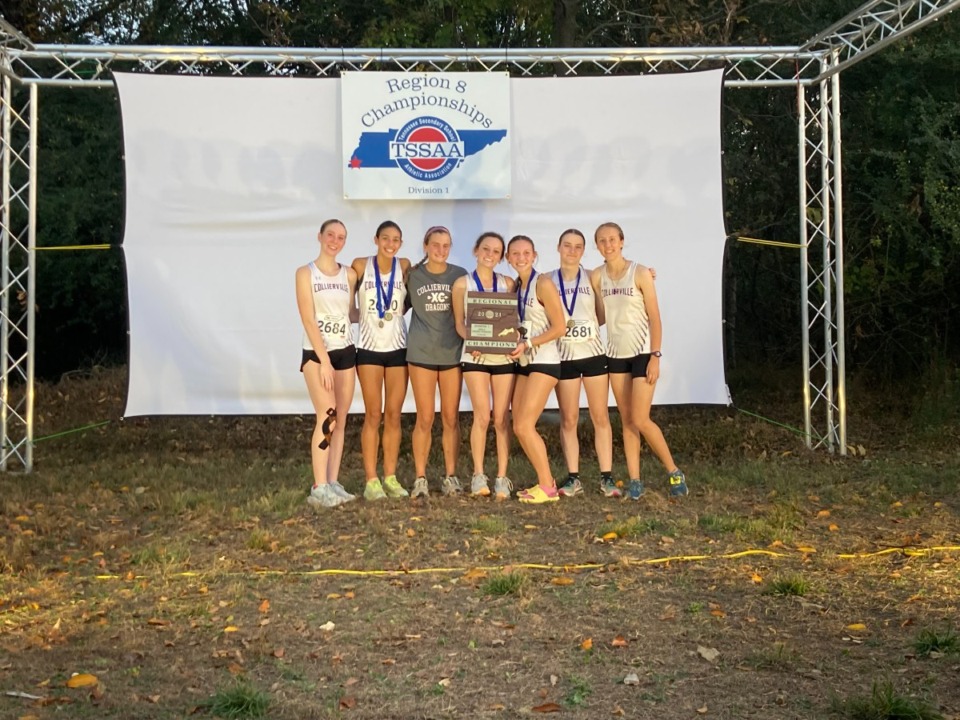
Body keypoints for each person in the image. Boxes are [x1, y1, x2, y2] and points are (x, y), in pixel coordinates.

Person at [592, 221, 688, 500]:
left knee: (640, 417)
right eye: (602, 240)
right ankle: (635, 479)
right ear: (597, 246)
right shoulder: (597, 276)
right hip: (615, 354)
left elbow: (655, 318)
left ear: (622, 241)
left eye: (612, 239)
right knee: (627, 420)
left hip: (643, 353)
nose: (608, 244)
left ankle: (673, 471)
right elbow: (597, 314)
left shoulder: (641, 272)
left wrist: (655, 356)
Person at [549, 229, 617, 498]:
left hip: (593, 356)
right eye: (567, 245)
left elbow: (602, 313)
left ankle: (607, 478)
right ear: (558, 247)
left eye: (578, 247)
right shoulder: (546, 280)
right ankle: (573, 478)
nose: (572, 251)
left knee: (601, 416)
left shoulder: (593, 277)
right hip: (563, 357)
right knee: (569, 419)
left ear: (584, 250)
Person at [296, 219, 359, 508]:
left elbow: (350, 313)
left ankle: (333, 481)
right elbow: (308, 319)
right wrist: (323, 361)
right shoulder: (305, 273)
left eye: (341, 237)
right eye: (330, 235)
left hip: (345, 351)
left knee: (342, 419)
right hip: (317, 354)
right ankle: (318, 487)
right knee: (328, 415)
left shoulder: (349, 274)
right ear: (319, 236)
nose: (335, 240)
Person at [451, 232, 516, 501]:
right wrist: (472, 339)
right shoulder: (462, 284)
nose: (490, 254)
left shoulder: (509, 283)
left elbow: (515, 318)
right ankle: (479, 475)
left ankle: (502, 477)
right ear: (476, 250)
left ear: (501, 257)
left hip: (503, 358)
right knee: (482, 416)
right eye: (486, 248)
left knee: (501, 418)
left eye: (496, 251)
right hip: (475, 356)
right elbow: (459, 323)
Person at [351, 220, 412, 501]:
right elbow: (345, 300)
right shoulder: (360, 265)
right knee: (373, 414)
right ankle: (371, 480)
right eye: (385, 238)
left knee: (394, 415)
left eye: (396, 239)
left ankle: (390, 476)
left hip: (398, 349)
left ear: (401, 243)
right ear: (376, 239)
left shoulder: (405, 266)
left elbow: (411, 301)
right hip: (368, 349)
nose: (390, 243)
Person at [406, 226, 468, 498]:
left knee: (451, 418)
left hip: (452, 353)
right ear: (425, 245)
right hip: (421, 354)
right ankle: (420, 477)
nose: (441, 250)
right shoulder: (412, 276)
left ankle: (450, 476)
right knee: (425, 417)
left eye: (446, 245)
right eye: (436, 245)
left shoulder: (459, 275)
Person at [505, 235, 566, 504]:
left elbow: (560, 326)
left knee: (525, 425)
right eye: (515, 254)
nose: (521, 257)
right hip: (524, 362)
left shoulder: (543, 283)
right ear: (508, 258)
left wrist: (528, 342)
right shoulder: (516, 286)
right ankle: (544, 482)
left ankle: (547, 486)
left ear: (535, 255)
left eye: (526, 253)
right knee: (518, 426)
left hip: (545, 360)